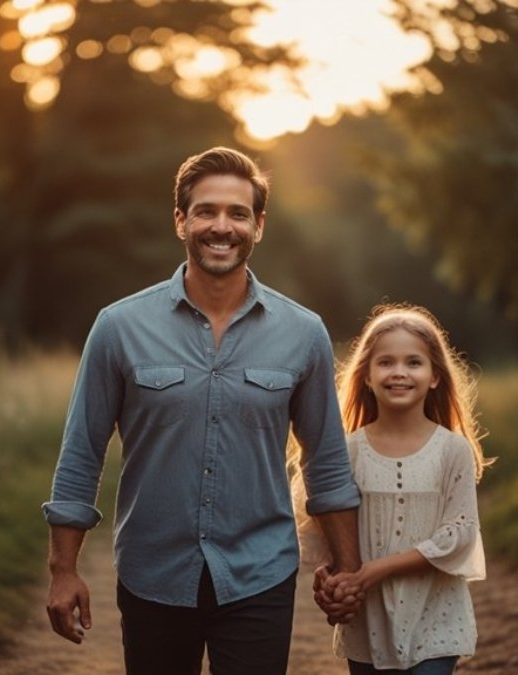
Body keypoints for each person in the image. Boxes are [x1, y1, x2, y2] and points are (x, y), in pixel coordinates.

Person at [42, 146, 363, 674]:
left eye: (238, 213)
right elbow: (81, 453)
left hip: (260, 573)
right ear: (180, 221)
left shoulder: (303, 333)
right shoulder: (119, 327)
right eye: (206, 211)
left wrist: (347, 568)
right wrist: (62, 570)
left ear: (259, 225)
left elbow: (326, 461)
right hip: (153, 575)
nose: (222, 226)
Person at [304, 304, 491, 674]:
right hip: (366, 619)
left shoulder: (453, 450)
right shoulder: (348, 451)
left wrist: (375, 570)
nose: (399, 373)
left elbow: (459, 533)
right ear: (367, 377)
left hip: (436, 613)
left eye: (414, 362)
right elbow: (321, 523)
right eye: (386, 362)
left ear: (435, 376)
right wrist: (333, 576)